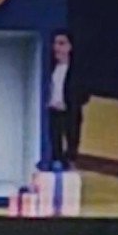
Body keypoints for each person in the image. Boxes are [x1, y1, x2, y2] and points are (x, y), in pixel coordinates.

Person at [45, 30, 90, 171]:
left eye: (61, 43)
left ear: (69, 47)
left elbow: (84, 92)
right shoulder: (51, 69)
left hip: (70, 112)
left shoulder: (77, 71)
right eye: (55, 44)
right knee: (55, 143)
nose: (57, 47)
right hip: (54, 111)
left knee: (71, 142)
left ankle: (71, 166)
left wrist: (73, 103)